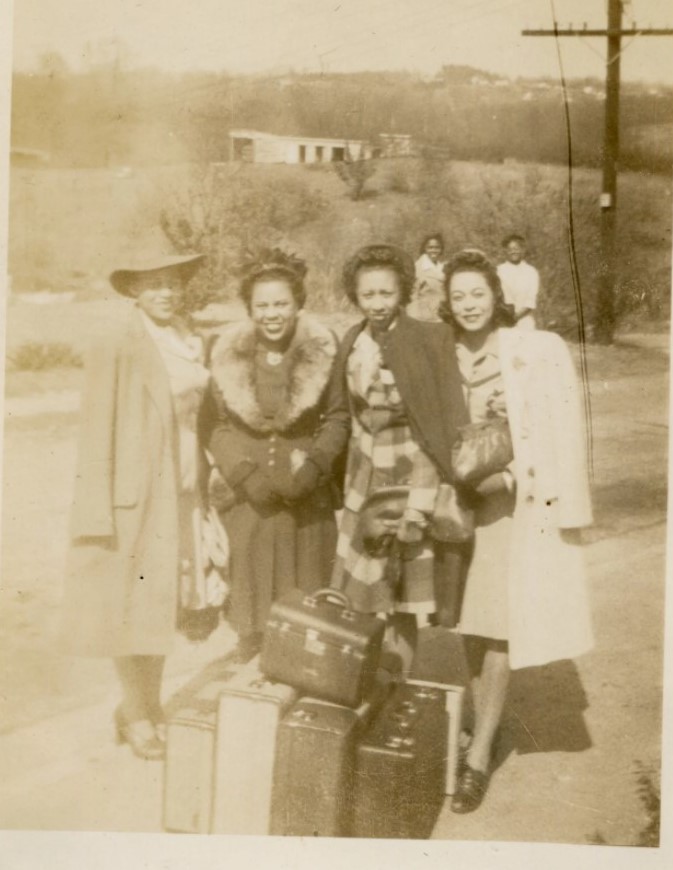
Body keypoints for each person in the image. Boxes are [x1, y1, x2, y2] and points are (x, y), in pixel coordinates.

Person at [440, 248, 594, 813]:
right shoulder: (444, 351)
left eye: (477, 294)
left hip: (507, 504)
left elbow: (552, 423)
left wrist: (508, 474)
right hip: (456, 507)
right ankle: (486, 723)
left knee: (499, 624)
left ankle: (479, 754)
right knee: (468, 628)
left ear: (496, 297)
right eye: (458, 297)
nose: (469, 305)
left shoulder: (528, 351)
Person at [61, 252, 221, 761]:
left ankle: (145, 705)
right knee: (129, 607)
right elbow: (96, 430)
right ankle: (136, 712)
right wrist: (96, 512)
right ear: (134, 290)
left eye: (173, 283)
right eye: (154, 285)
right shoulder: (119, 341)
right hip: (137, 496)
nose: (167, 293)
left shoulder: (185, 336)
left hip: (183, 489)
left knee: (158, 607)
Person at [328, 244, 469, 676]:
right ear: (356, 297)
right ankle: (365, 686)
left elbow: (444, 420)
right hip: (365, 476)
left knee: (404, 600)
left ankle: (397, 688)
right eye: (367, 295)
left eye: (385, 294)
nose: (377, 304)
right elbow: (342, 411)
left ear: (402, 292)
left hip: (412, 476)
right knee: (364, 595)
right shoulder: (352, 341)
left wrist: (425, 498)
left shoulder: (429, 338)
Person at [202, 248, 345, 663]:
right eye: (262, 305)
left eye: (281, 303)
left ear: (298, 302)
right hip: (251, 497)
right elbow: (214, 424)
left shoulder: (322, 347)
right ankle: (255, 682)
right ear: (249, 308)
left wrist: (315, 466)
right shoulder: (226, 351)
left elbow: (337, 418)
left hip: (304, 494)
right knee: (253, 605)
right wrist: (244, 475)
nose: (272, 313)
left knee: (307, 609)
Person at [496, 234, 540, 330]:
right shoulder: (498, 271)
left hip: (525, 320)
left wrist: (515, 318)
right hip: (502, 321)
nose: (513, 251)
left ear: (522, 250)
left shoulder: (531, 271)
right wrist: (504, 318)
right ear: (505, 251)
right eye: (510, 249)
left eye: (516, 248)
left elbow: (531, 301)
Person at [408, 232, 447, 321]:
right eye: (430, 247)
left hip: (442, 316)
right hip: (424, 317)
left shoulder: (443, 268)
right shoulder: (418, 268)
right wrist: (414, 319)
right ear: (425, 249)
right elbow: (412, 296)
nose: (434, 250)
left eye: (437, 247)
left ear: (441, 249)